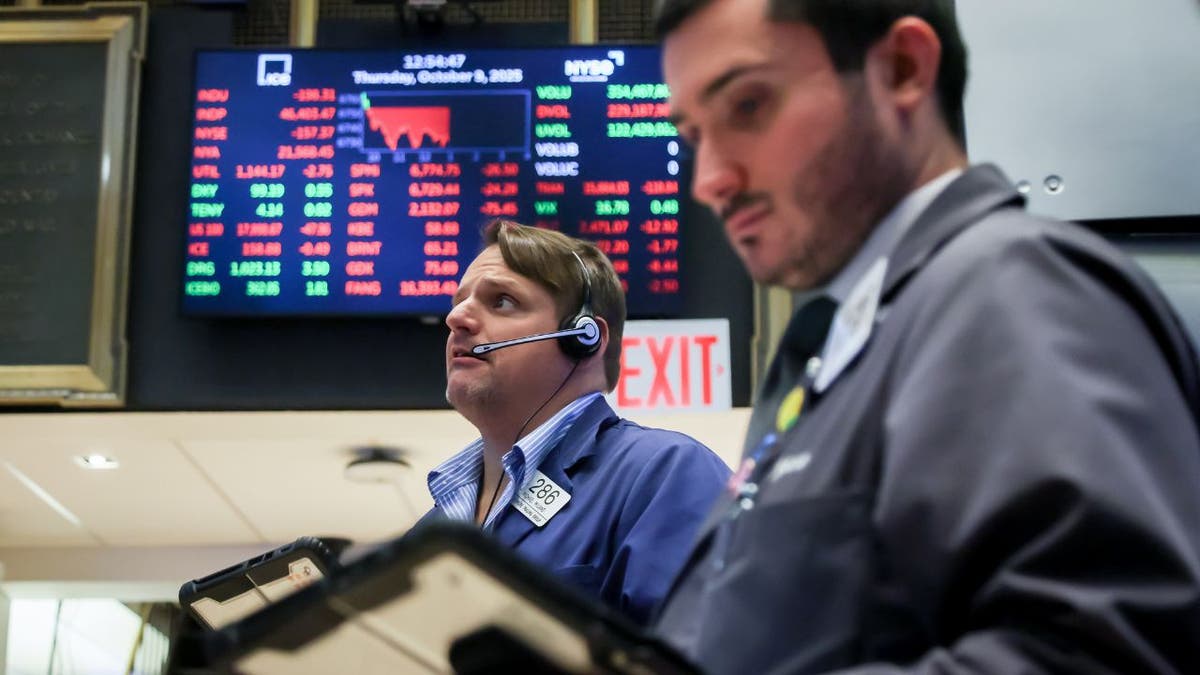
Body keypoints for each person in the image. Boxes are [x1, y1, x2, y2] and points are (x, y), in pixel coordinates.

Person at [652, 0, 1200, 672]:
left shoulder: (1009, 286)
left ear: (903, 69)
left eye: (747, 106)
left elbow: (1095, 650)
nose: (709, 181)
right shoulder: (844, 342)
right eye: (692, 135)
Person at [420, 219, 731, 626]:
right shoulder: (427, 534)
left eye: (502, 302)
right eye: (459, 301)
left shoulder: (663, 473)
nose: (456, 318)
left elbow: (701, 651)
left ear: (583, 337)